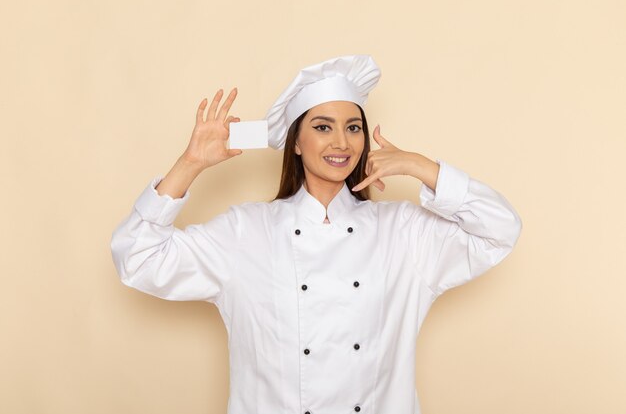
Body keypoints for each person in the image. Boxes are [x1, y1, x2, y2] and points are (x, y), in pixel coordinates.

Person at [111, 55, 522, 414]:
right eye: (323, 127)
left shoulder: (403, 233)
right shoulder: (246, 232)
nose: (341, 142)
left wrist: (420, 166)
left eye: (353, 127)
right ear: (296, 142)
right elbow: (138, 258)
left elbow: (500, 230)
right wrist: (190, 163)